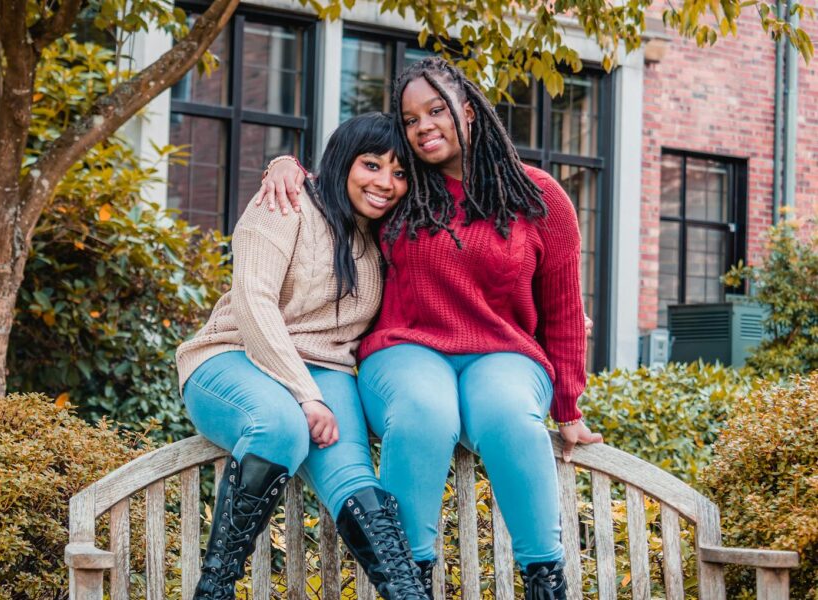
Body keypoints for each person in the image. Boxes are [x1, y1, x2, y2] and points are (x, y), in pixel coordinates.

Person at [257, 57, 603, 600]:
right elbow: (338, 182)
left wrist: (570, 408)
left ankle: (544, 577)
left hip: (504, 353)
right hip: (404, 347)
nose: (423, 127)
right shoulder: (400, 189)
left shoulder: (540, 197)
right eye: (411, 118)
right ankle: (409, 579)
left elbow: (561, 309)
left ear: (467, 111)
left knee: (509, 414)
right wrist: (285, 164)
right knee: (425, 411)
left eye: (436, 110)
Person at [175, 112, 429, 600]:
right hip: (234, 354)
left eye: (399, 174)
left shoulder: (386, 234)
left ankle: (408, 594)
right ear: (343, 161)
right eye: (372, 165)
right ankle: (214, 590)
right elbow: (253, 300)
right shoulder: (285, 202)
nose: (385, 183)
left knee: (353, 477)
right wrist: (306, 395)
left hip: (327, 370)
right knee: (280, 427)